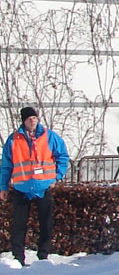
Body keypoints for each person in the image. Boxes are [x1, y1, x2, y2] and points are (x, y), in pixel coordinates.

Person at [1, 106, 69, 266]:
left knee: (46, 223)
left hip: (43, 187)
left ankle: (43, 256)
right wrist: (3, 186)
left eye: (34, 118)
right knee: (18, 225)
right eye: (29, 118)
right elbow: (6, 165)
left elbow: (63, 156)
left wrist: (57, 176)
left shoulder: (49, 136)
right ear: (24, 121)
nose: (32, 120)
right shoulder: (13, 139)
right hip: (21, 188)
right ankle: (18, 258)